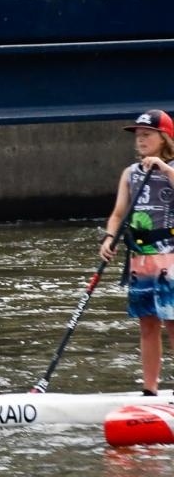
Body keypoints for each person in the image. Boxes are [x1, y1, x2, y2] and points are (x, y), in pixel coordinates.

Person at [100, 109, 174, 396]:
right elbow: (118, 214)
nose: (140, 140)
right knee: (147, 323)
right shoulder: (130, 174)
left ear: (164, 138)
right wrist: (110, 237)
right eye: (138, 136)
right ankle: (150, 389)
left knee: (172, 321)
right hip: (141, 256)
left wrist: (164, 168)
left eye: (147, 135)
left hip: (170, 254)